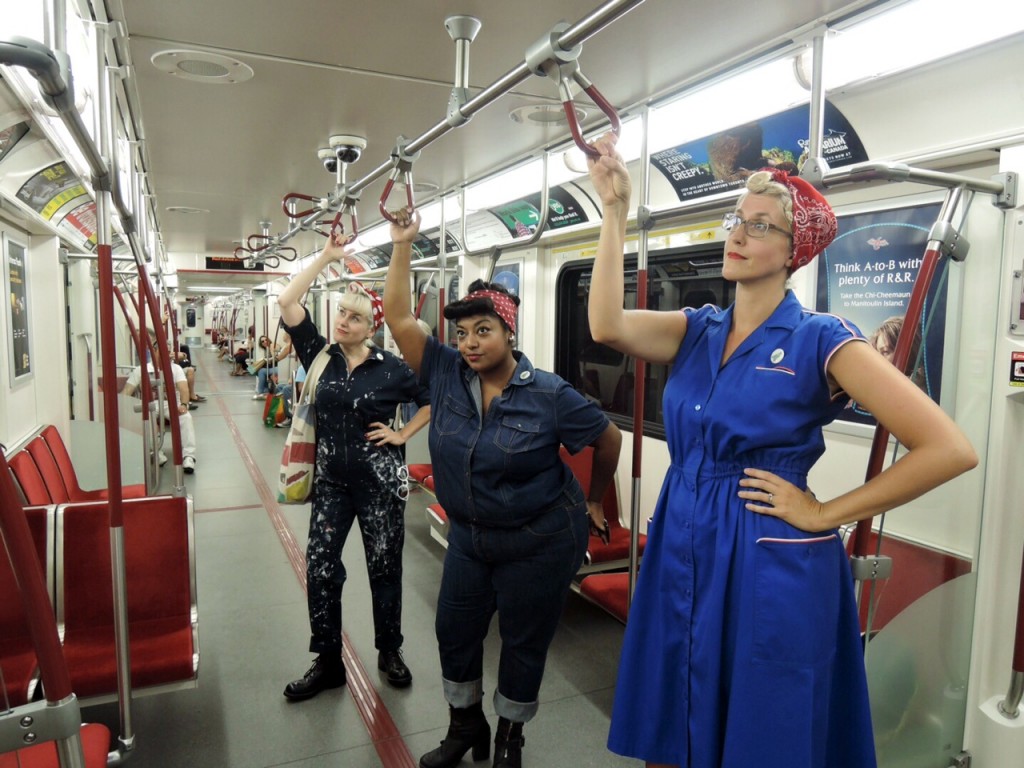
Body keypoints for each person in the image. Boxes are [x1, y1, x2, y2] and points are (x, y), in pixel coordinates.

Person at [585, 134, 978, 768]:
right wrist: (613, 210)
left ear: (793, 251)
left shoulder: (820, 338)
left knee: (765, 725)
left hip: (765, 547)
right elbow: (606, 325)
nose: (737, 235)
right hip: (686, 535)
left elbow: (949, 448)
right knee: (678, 715)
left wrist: (828, 513)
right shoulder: (697, 328)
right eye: (736, 219)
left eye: (760, 226)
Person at [383, 210, 622, 768]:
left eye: (483, 330)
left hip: (539, 537)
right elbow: (396, 315)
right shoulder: (443, 373)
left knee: (523, 639)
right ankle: (465, 726)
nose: (468, 342)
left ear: (508, 332)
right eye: (462, 332)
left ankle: (511, 735)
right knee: (455, 630)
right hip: (470, 536)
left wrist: (592, 499)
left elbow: (607, 440)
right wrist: (401, 246)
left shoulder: (549, 394)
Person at [277, 240, 431, 701]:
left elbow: (430, 400)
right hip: (331, 484)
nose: (342, 321)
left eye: (354, 317)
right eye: (341, 312)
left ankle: (389, 651)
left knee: (384, 569)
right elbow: (288, 301)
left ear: (371, 327)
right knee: (322, 568)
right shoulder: (319, 356)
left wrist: (403, 436)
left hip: (381, 484)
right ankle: (327, 661)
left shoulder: (392, 369)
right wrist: (324, 258)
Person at [122, 332, 198, 474]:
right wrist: (122, 407)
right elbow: (127, 390)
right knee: (148, 419)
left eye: (169, 352)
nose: (168, 355)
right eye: (164, 351)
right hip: (150, 404)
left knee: (186, 417)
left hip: (171, 404)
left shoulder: (176, 369)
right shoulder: (141, 370)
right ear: (154, 351)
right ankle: (156, 452)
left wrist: (184, 404)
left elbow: (183, 388)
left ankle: (188, 456)